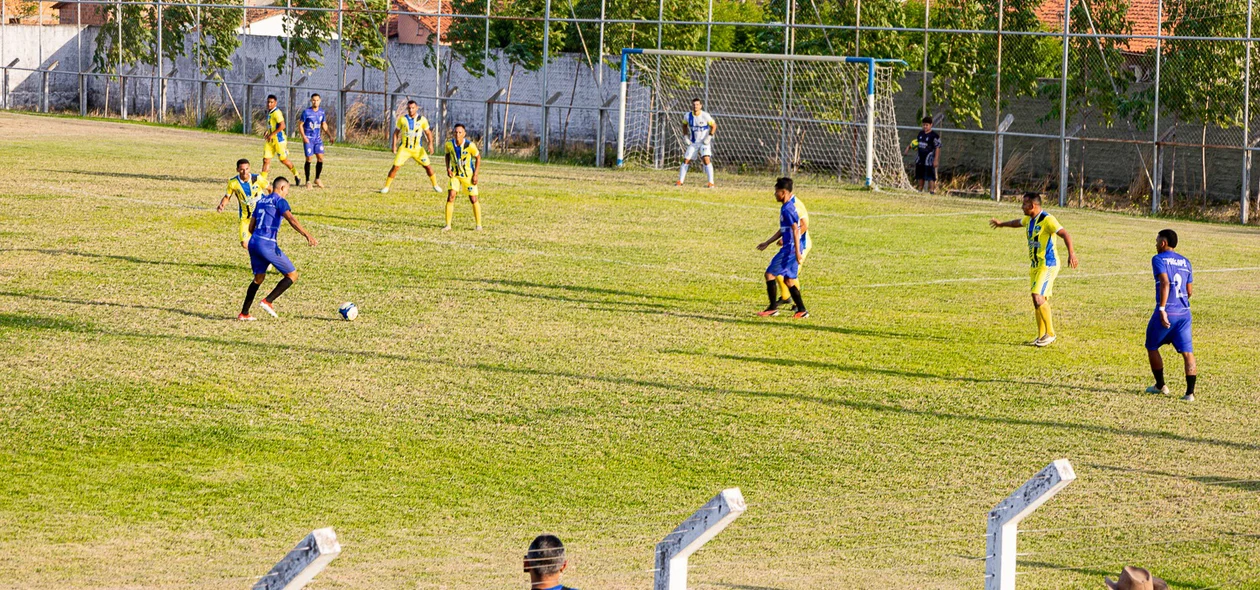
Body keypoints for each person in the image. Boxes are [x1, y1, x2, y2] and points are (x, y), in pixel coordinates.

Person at [989, 192, 1079, 346]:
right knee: (1036, 299)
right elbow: (1016, 222)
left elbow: (1065, 234)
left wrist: (1071, 253)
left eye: (1024, 204)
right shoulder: (1029, 220)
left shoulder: (1047, 220)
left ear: (1032, 206)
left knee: (1038, 296)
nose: (1022, 206)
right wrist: (1001, 224)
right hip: (1035, 265)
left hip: (1048, 264)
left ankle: (1050, 333)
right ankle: (1041, 336)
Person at [239, 177, 317, 320]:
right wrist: (307, 235)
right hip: (267, 244)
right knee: (292, 275)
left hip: (253, 242)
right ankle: (268, 301)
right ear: (282, 188)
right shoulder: (279, 201)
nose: (287, 193)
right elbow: (291, 219)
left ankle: (244, 313)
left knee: (258, 278)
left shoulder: (261, 201)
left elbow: (250, 227)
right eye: (287, 189)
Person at [1145, 229, 1197, 401]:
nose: (1155, 243)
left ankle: (1160, 385)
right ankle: (1190, 393)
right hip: (1184, 313)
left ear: (1163, 243)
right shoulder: (1186, 261)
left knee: (1152, 346)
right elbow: (1189, 291)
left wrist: (1162, 309)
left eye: (1157, 240)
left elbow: (1165, 283)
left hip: (1167, 312)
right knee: (1188, 353)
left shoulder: (1158, 259)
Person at [756, 177, 808, 318]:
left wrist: (797, 252)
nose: (775, 194)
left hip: (790, 250)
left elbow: (796, 229)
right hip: (791, 249)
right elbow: (783, 229)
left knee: (769, 274)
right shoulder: (786, 207)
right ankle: (802, 310)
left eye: (776, 192)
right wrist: (768, 242)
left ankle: (772, 308)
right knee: (788, 280)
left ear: (784, 192)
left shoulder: (788, 209)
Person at [380, 100, 442, 194]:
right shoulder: (402, 119)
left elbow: (428, 133)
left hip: (417, 149)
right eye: (409, 108)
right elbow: (396, 133)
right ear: (407, 109)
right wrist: (394, 145)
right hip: (405, 148)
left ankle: (435, 185)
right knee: (395, 167)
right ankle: (386, 187)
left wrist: (430, 144)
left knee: (428, 167)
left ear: (416, 108)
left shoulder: (422, 120)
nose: (411, 110)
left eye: (413, 108)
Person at [217, 158, 267, 250]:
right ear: (237, 170)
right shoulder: (233, 182)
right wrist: (222, 204)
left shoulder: (257, 178)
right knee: (244, 243)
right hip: (245, 217)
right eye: (242, 169)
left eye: (247, 169)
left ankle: (264, 258)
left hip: (259, 215)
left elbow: (270, 189)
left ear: (249, 168)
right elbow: (227, 197)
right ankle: (261, 255)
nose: (244, 172)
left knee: (260, 240)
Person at [443, 123, 483, 231]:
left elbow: (478, 158)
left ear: (464, 134)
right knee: (451, 196)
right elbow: (447, 155)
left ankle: (478, 225)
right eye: (455, 132)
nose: (457, 134)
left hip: (468, 176)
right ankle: (448, 225)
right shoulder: (449, 145)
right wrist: (448, 168)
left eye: (460, 132)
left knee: (473, 198)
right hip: (455, 175)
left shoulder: (470, 146)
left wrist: (475, 174)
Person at [774, 194, 810, 310]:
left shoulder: (795, 205)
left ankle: (798, 305)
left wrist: (786, 239)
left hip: (801, 245)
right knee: (779, 271)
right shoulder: (788, 204)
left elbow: (804, 225)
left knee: (790, 273)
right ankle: (786, 297)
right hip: (792, 244)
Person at [677, 98, 716, 188]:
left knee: (706, 159)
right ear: (692, 105)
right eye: (694, 104)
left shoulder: (705, 116)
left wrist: (709, 136)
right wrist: (685, 136)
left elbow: (714, 126)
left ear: (701, 106)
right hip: (694, 142)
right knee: (686, 160)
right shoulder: (687, 116)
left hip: (704, 142)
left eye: (697, 104)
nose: (695, 106)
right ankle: (680, 181)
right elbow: (684, 125)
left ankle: (711, 183)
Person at [262, 95, 301, 185]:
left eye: (271, 102)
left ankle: (296, 174)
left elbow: (282, 126)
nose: (269, 104)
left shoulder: (277, 112)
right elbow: (272, 126)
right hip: (270, 140)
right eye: (268, 102)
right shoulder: (269, 112)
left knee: (283, 160)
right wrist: (267, 132)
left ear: (275, 103)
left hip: (279, 140)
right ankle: (263, 181)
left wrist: (272, 134)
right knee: (266, 160)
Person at [299, 94, 331, 188]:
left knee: (320, 158)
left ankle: (317, 178)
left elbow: (324, 124)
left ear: (320, 101)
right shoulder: (306, 112)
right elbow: (300, 125)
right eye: (313, 100)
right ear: (311, 101)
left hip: (317, 139)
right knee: (309, 159)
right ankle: (308, 181)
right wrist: (304, 136)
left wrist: (329, 135)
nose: (315, 102)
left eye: (317, 100)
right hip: (308, 139)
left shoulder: (322, 112)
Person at [903, 116, 941, 193]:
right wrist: (908, 148)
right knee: (920, 175)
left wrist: (936, 159)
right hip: (920, 158)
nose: (925, 126)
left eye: (927, 125)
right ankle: (920, 189)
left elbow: (938, 147)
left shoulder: (934, 136)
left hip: (929, 159)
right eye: (923, 125)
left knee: (930, 176)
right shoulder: (920, 134)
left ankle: (931, 191)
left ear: (931, 125)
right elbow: (915, 143)